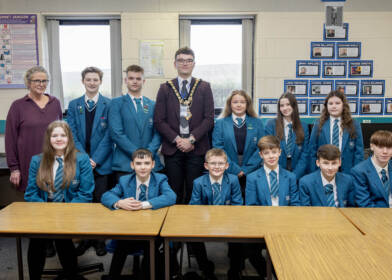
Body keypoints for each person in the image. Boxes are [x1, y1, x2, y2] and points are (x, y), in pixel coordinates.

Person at [24, 121, 94, 280]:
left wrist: (63, 212)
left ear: (69, 137)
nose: (59, 139)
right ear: (49, 138)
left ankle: (70, 275)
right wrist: (48, 212)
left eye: (63, 135)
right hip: (44, 208)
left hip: (70, 208)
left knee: (63, 240)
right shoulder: (37, 160)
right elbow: (31, 194)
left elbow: (85, 194)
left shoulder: (81, 160)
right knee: (36, 242)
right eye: (54, 135)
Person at [101, 149, 176, 279]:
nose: (142, 167)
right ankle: (113, 275)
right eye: (139, 163)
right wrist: (119, 203)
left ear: (153, 165)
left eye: (146, 163)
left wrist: (143, 204)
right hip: (130, 229)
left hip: (153, 229)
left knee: (150, 245)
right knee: (121, 243)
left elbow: (171, 196)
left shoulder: (160, 179)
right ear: (132, 165)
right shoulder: (124, 180)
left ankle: (148, 275)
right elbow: (106, 195)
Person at [154, 47, 214, 204]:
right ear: (175, 64)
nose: (185, 63)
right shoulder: (165, 88)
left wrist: (191, 139)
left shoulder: (204, 87)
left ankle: (192, 227)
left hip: (197, 147)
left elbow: (209, 119)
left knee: (194, 191)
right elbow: (159, 120)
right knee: (174, 191)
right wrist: (178, 140)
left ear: (194, 64)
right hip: (173, 148)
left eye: (189, 60)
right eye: (181, 60)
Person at [67, 66, 112, 257]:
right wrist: (85, 159)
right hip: (80, 162)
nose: (92, 83)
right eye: (88, 79)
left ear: (100, 81)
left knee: (100, 202)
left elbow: (110, 136)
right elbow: (72, 132)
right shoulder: (73, 104)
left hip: (102, 163)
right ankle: (85, 239)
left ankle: (100, 240)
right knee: (83, 202)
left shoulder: (109, 105)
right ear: (83, 81)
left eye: (95, 79)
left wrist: (95, 160)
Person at [245, 135, 299, 278]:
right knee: (251, 252)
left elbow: (295, 205)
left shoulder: (290, 177)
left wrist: (284, 222)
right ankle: (269, 274)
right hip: (261, 224)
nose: (271, 156)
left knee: (288, 252)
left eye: (274, 152)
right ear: (260, 155)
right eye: (266, 153)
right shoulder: (252, 178)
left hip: (285, 224)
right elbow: (250, 207)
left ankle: (282, 273)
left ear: (280, 152)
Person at [5, 66, 62, 192]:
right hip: (27, 163)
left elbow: (61, 133)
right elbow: (10, 139)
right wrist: (14, 168)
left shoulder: (55, 103)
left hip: (53, 162)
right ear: (28, 82)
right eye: (37, 81)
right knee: (33, 204)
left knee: (55, 202)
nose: (41, 84)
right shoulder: (18, 106)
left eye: (44, 81)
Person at [189, 148, 243, 280]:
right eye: (213, 163)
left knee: (241, 236)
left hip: (229, 221)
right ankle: (206, 268)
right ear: (206, 166)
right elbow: (194, 207)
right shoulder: (199, 182)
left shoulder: (233, 180)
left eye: (220, 163)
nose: (217, 167)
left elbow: (238, 204)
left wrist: (227, 219)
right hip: (205, 221)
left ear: (227, 166)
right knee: (191, 238)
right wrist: (207, 218)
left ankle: (234, 271)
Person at [109, 65, 162, 182]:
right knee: (126, 199)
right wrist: (138, 155)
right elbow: (116, 133)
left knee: (150, 199)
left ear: (143, 81)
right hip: (125, 163)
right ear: (125, 80)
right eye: (131, 78)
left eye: (138, 79)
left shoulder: (153, 105)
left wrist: (148, 154)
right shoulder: (116, 104)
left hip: (150, 162)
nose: (134, 81)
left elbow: (158, 133)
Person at [212, 90, 264, 195]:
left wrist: (246, 169)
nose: (239, 105)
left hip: (252, 169)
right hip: (227, 166)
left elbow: (261, 147)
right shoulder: (220, 123)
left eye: (242, 102)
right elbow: (218, 148)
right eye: (235, 102)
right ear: (230, 104)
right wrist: (234, 168)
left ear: (247, 104)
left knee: (250, 201)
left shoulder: (257, 122)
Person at [309, 90, 364, 173]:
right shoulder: (318, 123)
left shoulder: (354, 124)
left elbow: (359, 152)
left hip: (347, 171)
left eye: (337, 103)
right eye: (330, 103)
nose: (334, 106)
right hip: (324, 170)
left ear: (343, 105)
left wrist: (356, 173)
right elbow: (312, 150)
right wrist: (314, 172)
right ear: (326, 106)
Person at [264, 92, 309, 179]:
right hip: (276, 170)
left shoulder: (303, 126)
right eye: (282, 105)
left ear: (294, 106)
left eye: (288, 104)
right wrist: (280, 174)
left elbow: (305, 154)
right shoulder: (271, 125)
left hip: (298, 171)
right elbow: (268, 150)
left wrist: (295, 175)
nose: (285, 108)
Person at [352, 130, 392, 208]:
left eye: (389, 147)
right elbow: (365, 205)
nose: (385, 152)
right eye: (380, 147)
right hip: (375, 215)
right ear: (372, 147)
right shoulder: (359, 171)